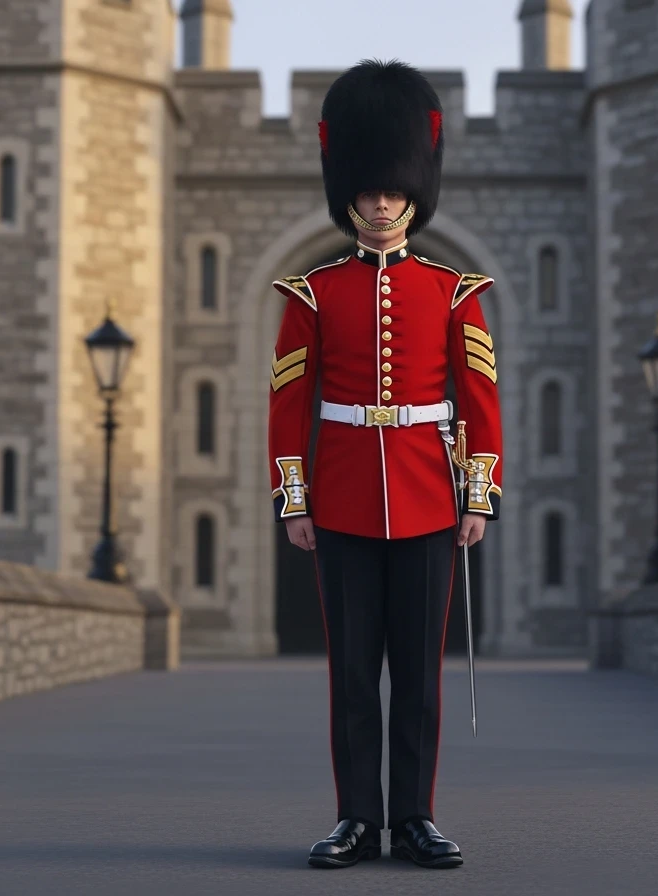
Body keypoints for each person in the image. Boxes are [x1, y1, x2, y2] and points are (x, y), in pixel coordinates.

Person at [266, 58, 503, 870]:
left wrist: (478, 495)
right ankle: (356, 819)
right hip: (341, 500)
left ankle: (414, 817)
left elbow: (479, 403)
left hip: (431, 496)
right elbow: (289, 406)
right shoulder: (311, 294)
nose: (379, 201)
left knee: (420, 680)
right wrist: (293, 500)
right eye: (367, 190)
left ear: (411, 190)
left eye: (391, 189)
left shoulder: (452, 291)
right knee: (353, 678)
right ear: (351, 192)